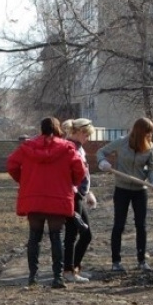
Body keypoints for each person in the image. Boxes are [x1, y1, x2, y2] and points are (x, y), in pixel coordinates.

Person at [7, 117, 85, 289]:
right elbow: (80, 170)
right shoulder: (67, 148)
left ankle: (32, 276)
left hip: (33, 197)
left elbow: (11, 165)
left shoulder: (27, 147)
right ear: (58, 129)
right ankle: (57, 277)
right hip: (58, 198)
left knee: (34, 237)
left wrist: (24, 180)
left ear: (41, 129)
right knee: (56, 237)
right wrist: (70, 182)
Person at [96, 117, 153, 272]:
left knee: (141, 225)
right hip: (122, 189)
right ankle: (116, 262)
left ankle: (142, 261)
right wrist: (102, 163)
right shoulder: (122, 142)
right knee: (119, 225)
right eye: (147, 133)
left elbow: (152, 168)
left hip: (140, 190)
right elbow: (101, 152)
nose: (149, 136)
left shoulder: (150, 147)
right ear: (140, 132)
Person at [63, 118, 96, 282]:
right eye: (86, 134)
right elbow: (69, 174)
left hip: (78, 195)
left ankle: (73, 269)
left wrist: (88, 192)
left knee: (83, 233)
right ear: (78, 132)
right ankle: (69, 271)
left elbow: (85, 174)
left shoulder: (79, 148)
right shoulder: (70, 148)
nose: (87, 138)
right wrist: (78, 192)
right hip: (71, 196)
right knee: (75, 233)